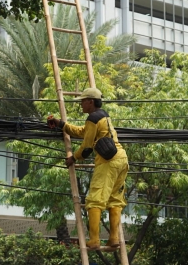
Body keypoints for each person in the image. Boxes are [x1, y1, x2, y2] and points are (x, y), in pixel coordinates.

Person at [47, 88, 128, 249]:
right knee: (115, 201)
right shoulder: (102, 116)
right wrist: (61, 124)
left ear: (91, 101)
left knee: (94, 201)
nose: (81, 104)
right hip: (122, 160)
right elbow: (82, 132)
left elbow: (87, 147)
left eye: (83, 101)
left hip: (108, 162)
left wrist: (73, 158)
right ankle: (114, 239)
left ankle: (94, 240)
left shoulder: (93, 118)